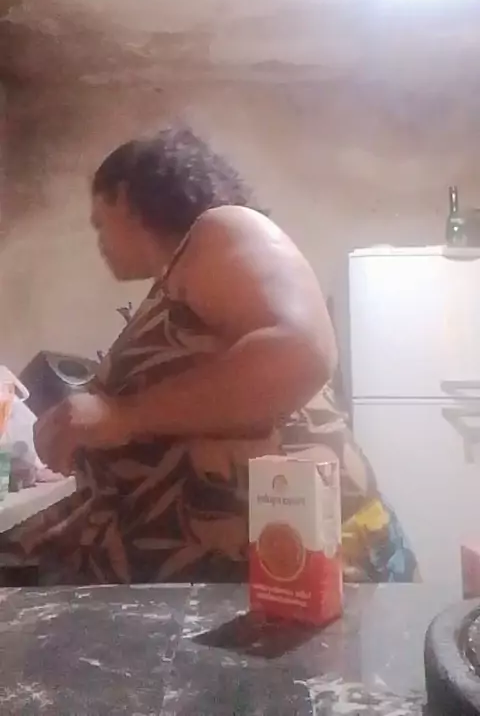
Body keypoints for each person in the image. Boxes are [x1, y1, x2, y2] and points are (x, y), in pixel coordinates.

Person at [10, 127, 418, 585]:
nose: (99, 241)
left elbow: (299, 352)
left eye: (99, 223)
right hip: (242, 585)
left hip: (316, 575)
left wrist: (122, 415)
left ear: (125, 196)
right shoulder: (177, 284)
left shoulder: (222, 228)